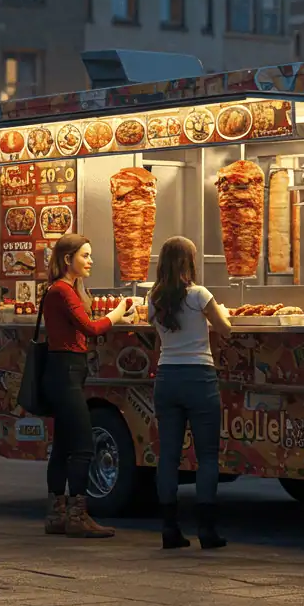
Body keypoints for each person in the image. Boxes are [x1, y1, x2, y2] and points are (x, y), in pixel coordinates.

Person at [42, 233, 133, 538]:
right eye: (85, 255)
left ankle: (56, 514)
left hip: (66, 371)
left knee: (64, 445)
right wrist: (118, 313)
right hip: (65, 371)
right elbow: (91, 328)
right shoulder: (62, 291)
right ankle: (77, 515)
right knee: (82, 446)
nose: (90, 260)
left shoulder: (65, 290)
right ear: (68, 259)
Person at [147, 236, 232, 550]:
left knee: (168, 456)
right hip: (199, 377)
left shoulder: (154, 299)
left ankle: (170, 529)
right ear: (189, 263)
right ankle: (207, 530)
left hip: (167, 378)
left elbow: (156, 334)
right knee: (207, 456)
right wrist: (221, 313)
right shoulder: (199, 295)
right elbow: (225, 328)